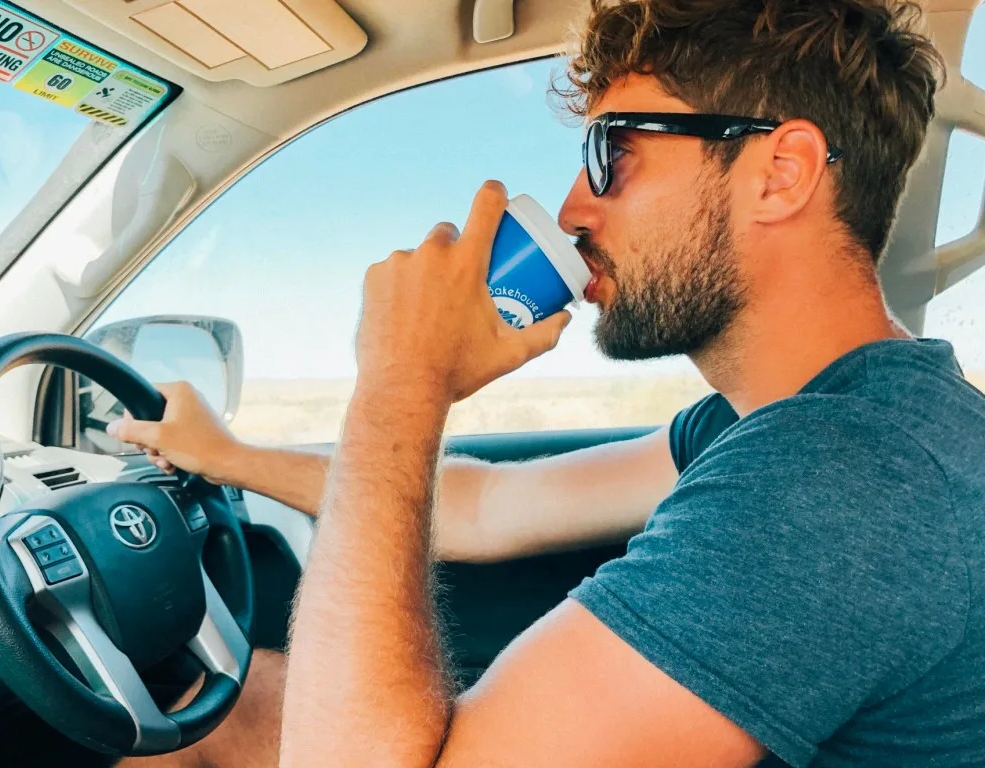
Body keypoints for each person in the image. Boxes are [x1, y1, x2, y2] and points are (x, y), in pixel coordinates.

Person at [117, 0, 985, 765]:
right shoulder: (777, 423)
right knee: (234, 709)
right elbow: (480, 507)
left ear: (781, 173)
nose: (573, 207)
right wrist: (226, 457)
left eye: (615, 152)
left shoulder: (845, 472)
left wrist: (400, 381)